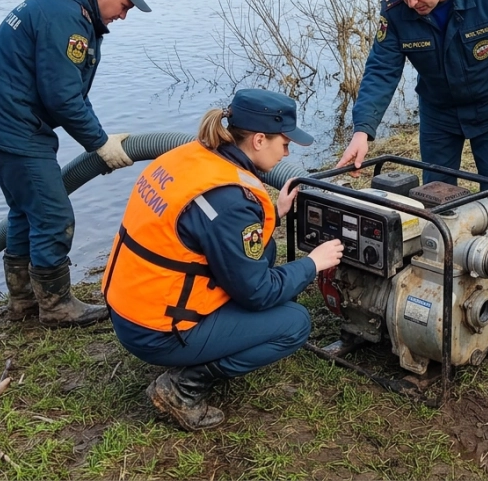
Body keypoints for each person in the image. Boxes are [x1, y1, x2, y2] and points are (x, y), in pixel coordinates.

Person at [102, 89, 345, 431]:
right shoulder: (229, 201)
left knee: (266, 257)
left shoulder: (191, 157)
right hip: (156, 331)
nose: (287, 152)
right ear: (259, 140)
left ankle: (193, 355)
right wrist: (313, 263)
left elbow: (212, 230)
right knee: (295, 323)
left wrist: (274, 212)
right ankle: (183, 387)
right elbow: (257, 292)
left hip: (130, 306)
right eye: (285, 144)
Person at [337, 0, 488, 311]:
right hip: (439, 112)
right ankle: (442, 268)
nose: (412, 2)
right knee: (435, 194)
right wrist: (363, 129)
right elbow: (381, 69)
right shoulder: (397, 10)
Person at [0, 0, 150, 327]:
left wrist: (99, 136)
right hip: (12, 128)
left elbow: (71, 90)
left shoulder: (60, 6)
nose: (124, 16)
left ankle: (25, 302)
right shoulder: (67, 18)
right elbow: (62, 97)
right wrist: (100, 144)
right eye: (125, 6)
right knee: (52, 215)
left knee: (26, 211)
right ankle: (56, 306)